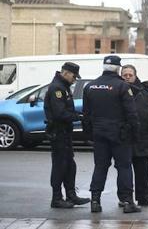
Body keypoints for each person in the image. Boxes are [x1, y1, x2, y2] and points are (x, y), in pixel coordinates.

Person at [82, 55, 141, 214]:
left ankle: (95, 201)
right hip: (120, 134)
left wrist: (89, 135)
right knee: (124, 167)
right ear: (118, 68)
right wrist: (135, 134)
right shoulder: (122, 87)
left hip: (99, 133)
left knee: (100, 167)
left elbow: (85, 115)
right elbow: (132, 114)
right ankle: (128, 201)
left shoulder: (90, 86)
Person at [44, 62, 91, 209]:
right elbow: (59, 113)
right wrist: (78, 117)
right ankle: (57, 198)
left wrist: (77, 115)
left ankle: (71, 195)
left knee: (70, 165)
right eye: (73, 76)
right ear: (65, 73)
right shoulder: (57, 88)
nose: (74, 79)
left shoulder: (63, 87)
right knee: (60, 165)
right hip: (58, 132)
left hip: (65, 132)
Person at [121, 64, 148, 207]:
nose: (128, 77)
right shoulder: (119, 89)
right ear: (121, 76)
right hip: (126, 137)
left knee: (142, 171)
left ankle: (143, 197)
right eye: (125, 75)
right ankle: (126, 198)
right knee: (125, 171)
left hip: (144, 137)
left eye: (130, 74)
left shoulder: (144, 89)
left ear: (135, 76)